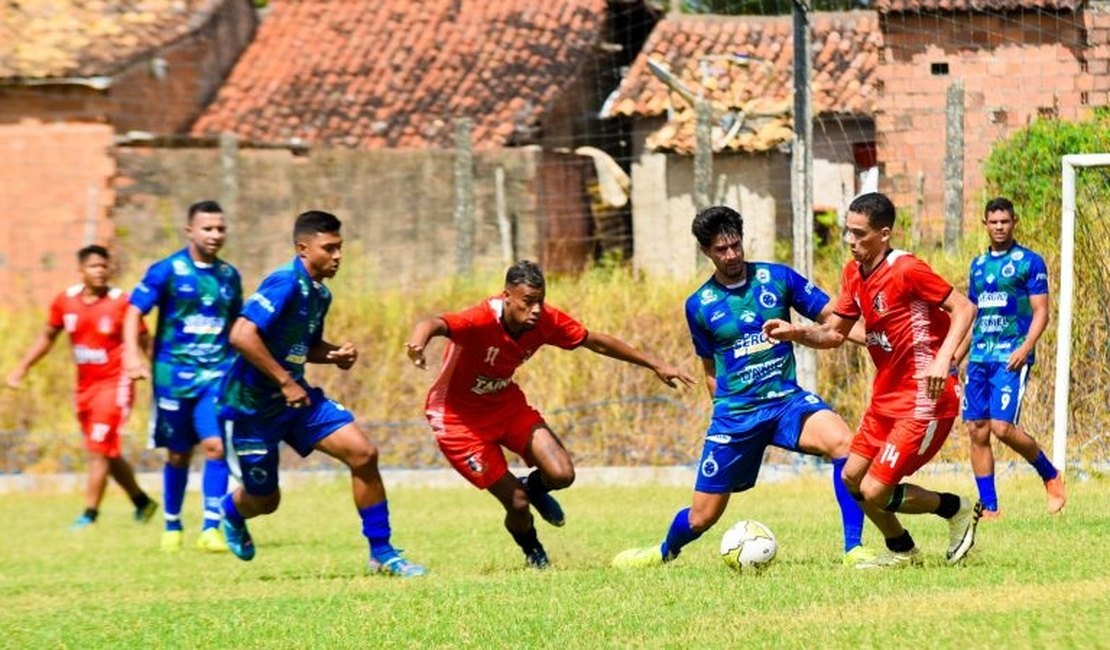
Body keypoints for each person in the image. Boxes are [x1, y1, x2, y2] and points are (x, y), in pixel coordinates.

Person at [612, 206, 878, 570]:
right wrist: (722, 412)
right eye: (721, 250)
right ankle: (662, 552)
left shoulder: (777, 277)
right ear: (707, 252)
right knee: (701, 519)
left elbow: (837, 319)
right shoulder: (699, 305)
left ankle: (854, 550)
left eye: (735, 245)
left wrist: (880, 340)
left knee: (843, 443)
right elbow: (709, 368)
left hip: (787, 403)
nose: (732, 255)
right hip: (736, 416)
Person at [406, 260, 695, 569]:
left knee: (561, 473)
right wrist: (417, 343)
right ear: (507, 296)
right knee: (516, 503)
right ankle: (534, 553)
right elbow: (435, 323)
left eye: (540, 301)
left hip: (505, 405)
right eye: (528, 302)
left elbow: (595, 341)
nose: (536, 310)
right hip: (456, 421)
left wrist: (654, 364)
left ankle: (533, 488)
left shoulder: (544, 321)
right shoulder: (479, 319)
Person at [763, 192, 983, 568]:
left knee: (875, 490)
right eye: (848, 232)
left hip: (925, 398)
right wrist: (795, 332)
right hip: (886, 398)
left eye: (859, 234)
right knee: (851, 477)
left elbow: (964, 307)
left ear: (884, 234)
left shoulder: (907, 269)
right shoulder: (854, 273)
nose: (851, 241)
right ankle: (902, 549)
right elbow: (835, 334)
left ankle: (956, 509)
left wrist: (942, 359)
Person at [217, 210, 426, 577]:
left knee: (364, 454)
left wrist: (332, 354)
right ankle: (232, 512)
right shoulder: (283, 283)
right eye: (329, 248)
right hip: (251, 408)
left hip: (298, 402)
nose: (338, 256)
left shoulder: (319, 295)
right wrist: (285, 381)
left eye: (340, 248)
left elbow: (301, 345)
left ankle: (382, 553)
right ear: (302, 248)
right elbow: (241, 335)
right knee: (266, 502)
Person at [7, 245, 157, 530]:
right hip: (85, 388)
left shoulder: (121, 303)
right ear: (81, 271)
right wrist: (22, 367)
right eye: (94, 266)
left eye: (105, 266)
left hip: (116, 385)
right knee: (104, 450)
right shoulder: (66, 301)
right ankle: (141, 501)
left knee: (98, 450)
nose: (100, 271)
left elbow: (145, 341)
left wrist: (156, 373)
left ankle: (89, 514)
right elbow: (47, 336)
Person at [124, 200, 242, 553]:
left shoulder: (228, 276)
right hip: (173, 377)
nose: (215, 234)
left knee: (216, 447)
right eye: (208, 228)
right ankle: (172, 524)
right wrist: (132, 355)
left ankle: (211, 527)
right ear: (190, 231)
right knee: (178, 454)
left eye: (220, 228)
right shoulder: (168, 270)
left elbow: (237, 326)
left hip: (216, 376)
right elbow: (133, 313)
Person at [961, 197, 1064, 518]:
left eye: (1005, 221)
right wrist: (956, 354)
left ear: (1014, 222)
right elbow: (971, 314)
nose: (1000, 227)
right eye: (994, 222)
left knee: (1002, 427)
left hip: (1010, 356)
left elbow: (1041, 312)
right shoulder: (977, 265)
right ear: (985, 225)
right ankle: (990, 508)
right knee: (977, 429)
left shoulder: (1028, 262)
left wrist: (1025, 348)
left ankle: (1050, 474)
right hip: (979, 357)